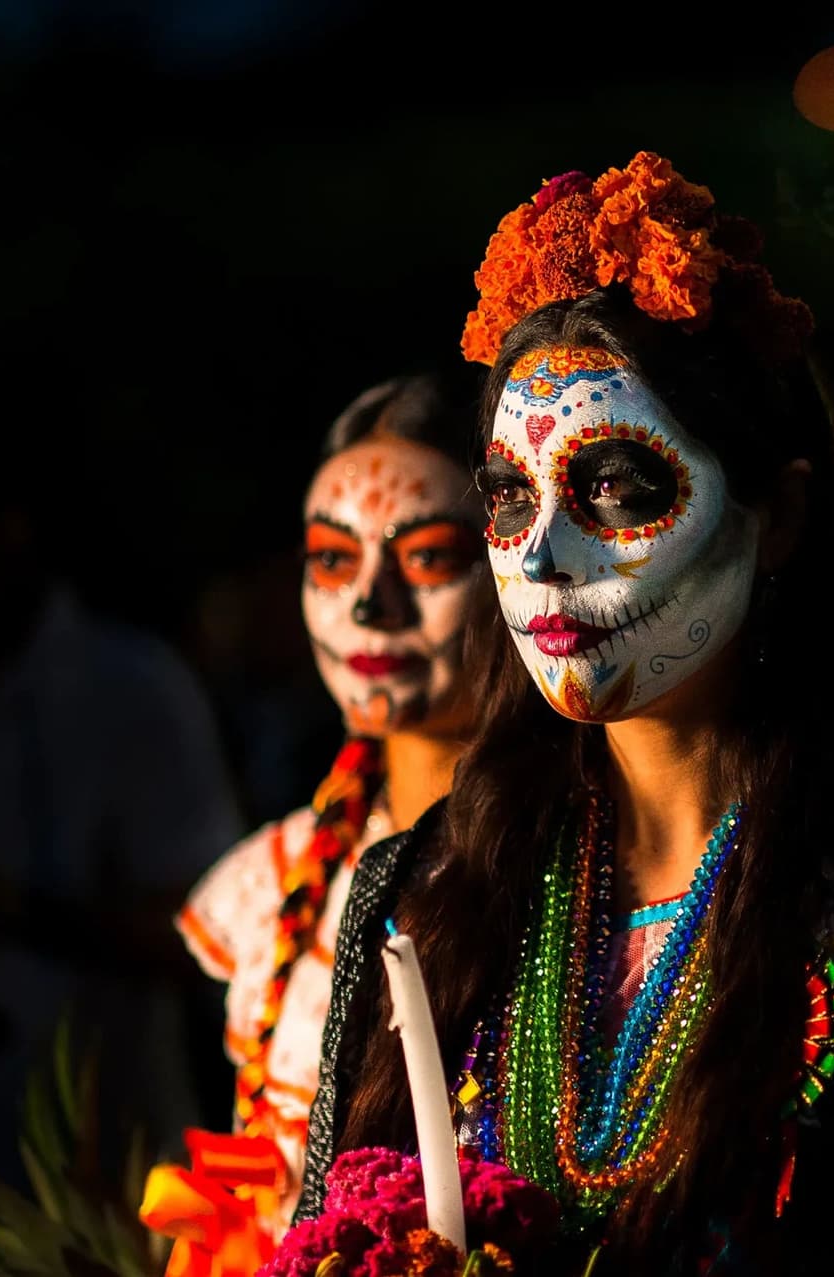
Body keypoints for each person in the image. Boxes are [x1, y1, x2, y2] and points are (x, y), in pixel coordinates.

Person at [292, 153, 834, 1274]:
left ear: (781, 516)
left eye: (614, 487)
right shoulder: (423, 890)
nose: (542, 556)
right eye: (511, 496)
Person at [0, 377, 243, 1187]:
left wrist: (23, 913)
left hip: (109, 1193)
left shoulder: (132, 688)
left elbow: (210, 933)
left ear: (7, 525)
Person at [174, 369, 485, 1229]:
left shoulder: (588, 873)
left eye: (427, 557)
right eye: (333, 560)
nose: (368, 603)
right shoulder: (273, 882)